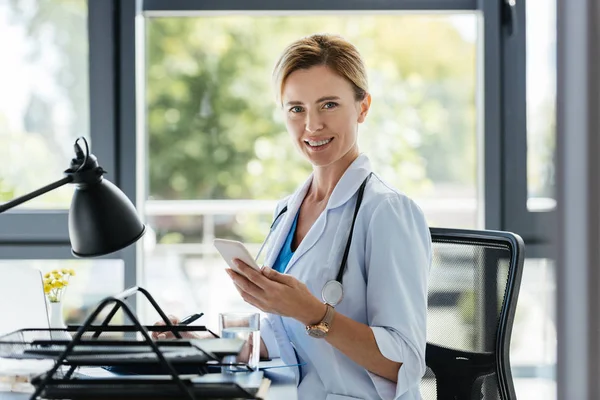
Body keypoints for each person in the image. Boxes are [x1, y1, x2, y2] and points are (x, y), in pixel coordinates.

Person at [156, 34, 431, 400]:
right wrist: (207, 343)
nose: (312, 125)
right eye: (296, 109)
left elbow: (405, 363)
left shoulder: (387, 212)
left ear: (363, 107)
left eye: (328, 104)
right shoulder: (287, 211)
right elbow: (285, 338)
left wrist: (314, 312)